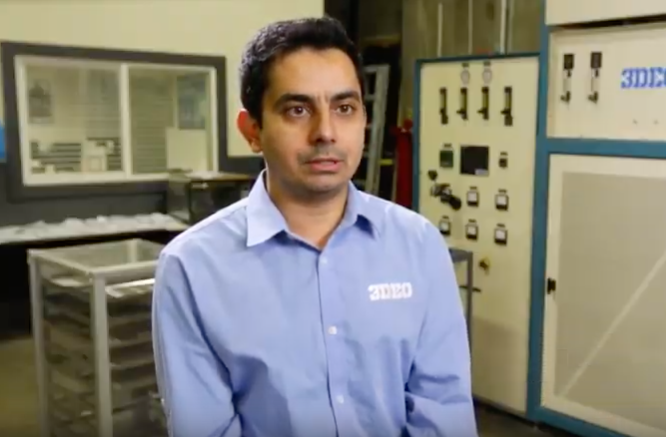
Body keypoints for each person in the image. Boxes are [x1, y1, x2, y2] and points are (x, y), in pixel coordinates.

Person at [151, 16, 477, 437]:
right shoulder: (192, 268)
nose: (325, 132)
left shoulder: (417, 243)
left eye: (344, 108)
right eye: (297, 109)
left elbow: (444, 408)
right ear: (252, 131)